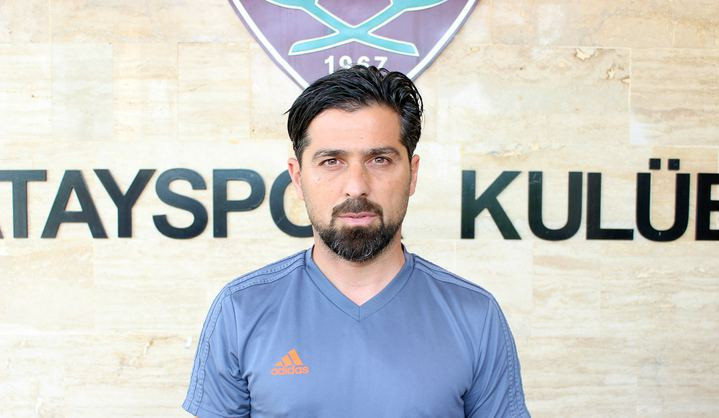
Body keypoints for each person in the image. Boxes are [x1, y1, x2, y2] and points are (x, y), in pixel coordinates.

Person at [183, 66, 530, 417]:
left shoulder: (475, 315)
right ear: (298, 178)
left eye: (379, 160)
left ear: (412, 174)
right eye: (331, 161)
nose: (356, 186)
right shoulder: (240, 310)